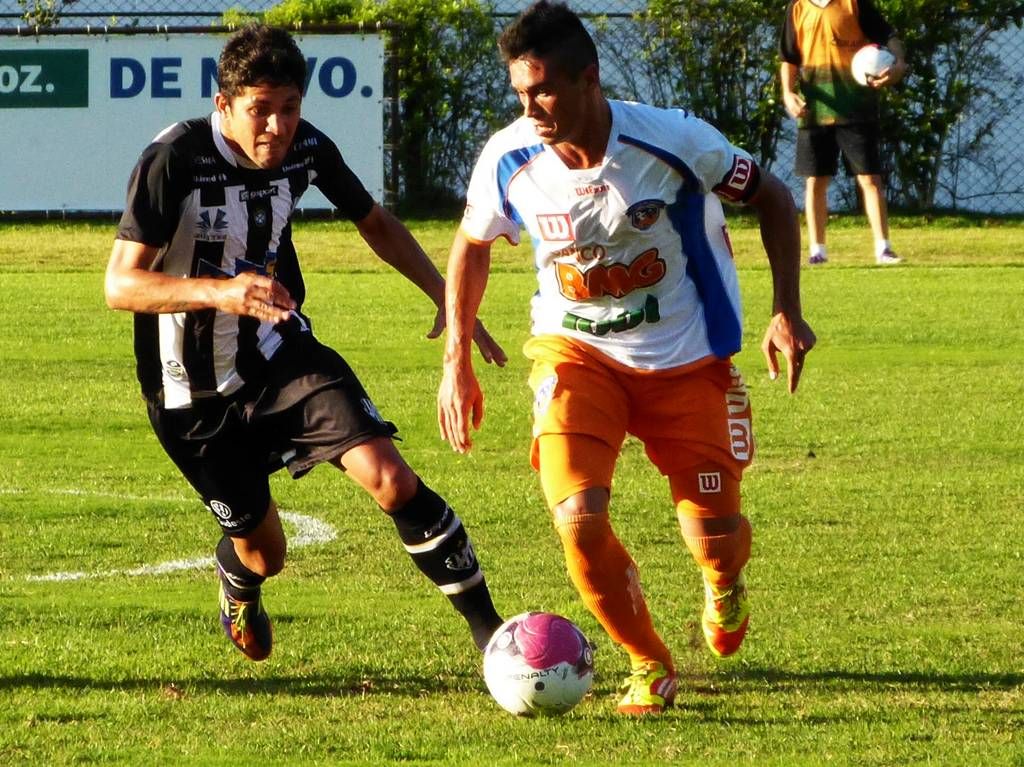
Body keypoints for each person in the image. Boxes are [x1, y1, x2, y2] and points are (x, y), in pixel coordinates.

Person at [437, 1, 816, 716]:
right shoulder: (510, 155)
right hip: (575, 354)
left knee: (715, 535)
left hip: (686, 357)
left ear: (590, 80)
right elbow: (472, 244)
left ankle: (723, 579)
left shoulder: (672, 140)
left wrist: (786, 309)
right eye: (520, 92)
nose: (531, 107)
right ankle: (649, 661)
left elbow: (770, 196)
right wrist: (456, 353)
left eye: (544, 88)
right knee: (577, 515)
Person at [104, 24, 507, 664]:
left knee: (391, 478)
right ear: (224, 106)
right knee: (267, 552)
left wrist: (445, 296)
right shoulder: (173, 159)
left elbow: (373, 220)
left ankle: (495, 639)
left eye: (288, 108)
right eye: (259, 110)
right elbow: (120, 285)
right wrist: (221, 293)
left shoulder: (306, 149)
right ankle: (239, 580)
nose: (276, 126)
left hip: (280, 353)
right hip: (190, 391)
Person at [780, 0, 908, 266]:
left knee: (870, 179)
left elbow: (890, 36)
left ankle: (883, 248)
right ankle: (817, 251)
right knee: (815, 181)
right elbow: (789, 58)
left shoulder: (854, 3)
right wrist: (788, 93)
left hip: (856, 108)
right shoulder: (799, 7)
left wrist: (898, 64)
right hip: (814, 109)